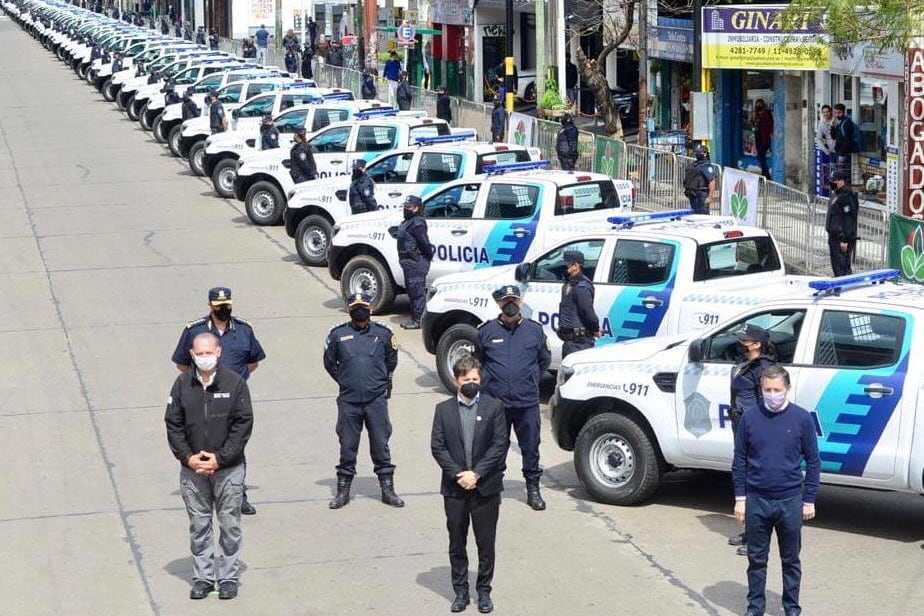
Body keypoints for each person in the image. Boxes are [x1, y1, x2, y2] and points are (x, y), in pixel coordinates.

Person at [165, 332, 254, 600]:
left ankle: (228, 577)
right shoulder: (182, 385)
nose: (203, 357)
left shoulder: (235, 383)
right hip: (193, 471)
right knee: (199, 525)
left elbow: (243, 425)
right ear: (192, 355)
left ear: (218, 353)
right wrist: (188, 458)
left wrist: (220, 458)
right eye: (198, 353)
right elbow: (173, 424)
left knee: (230, 525)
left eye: (208, 352)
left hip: (228, 470)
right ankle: (203, 577)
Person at [732, 365, 820, 616]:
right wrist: (741, 499)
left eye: (777, 390)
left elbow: (813, 461)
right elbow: (739, 461)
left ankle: (791, 608)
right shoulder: (750, 418)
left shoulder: (802, 419)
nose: (772, 394)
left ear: (787, 389)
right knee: (756, 561)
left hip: (790, 500)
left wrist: (809, 499)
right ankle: (755, 608)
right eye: (767, 390)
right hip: (757, 500)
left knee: (791, 560)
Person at [171, 287, 266, 515]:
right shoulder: (195, 331)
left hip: (233, 399)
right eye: (219, 306)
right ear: (210, 306)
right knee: (201, 439)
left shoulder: (243, 330)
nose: (224, 309)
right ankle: (203, 491)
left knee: (235, 443)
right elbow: (182, 364)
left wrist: (237, 381)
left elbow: (254, 362)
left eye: (227, 305)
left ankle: (238, 494)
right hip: (202, 394)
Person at [431, 356, 508, 615]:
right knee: (457, 542)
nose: (471, 384)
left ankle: (484, 591)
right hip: (454, 489)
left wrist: (476, 474)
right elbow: (438, 447)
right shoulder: (443, 410)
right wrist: (458, 475)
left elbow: (499, 445)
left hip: (485, 487)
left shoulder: (494, 407)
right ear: (456, 381)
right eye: (466, 380)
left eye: (475, 379)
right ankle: (461, 592)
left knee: (486, 543)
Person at [323, 293, 404, 509]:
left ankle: (388, 490)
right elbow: (330, 363)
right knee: (347, 446)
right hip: (349, 401)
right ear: (349, 310)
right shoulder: (338, 335)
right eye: (355, 307)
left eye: (363, 306)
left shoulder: (383, 334)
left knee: (381, 444)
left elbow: (391, 361)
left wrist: (378, 381)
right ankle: (342, 492)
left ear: (370, 308)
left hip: (375, 400)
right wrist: (346, 380)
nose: (360, 310)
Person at [476, 286, 551, 511]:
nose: (511, 304)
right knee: (495, 447)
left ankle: (533, 489)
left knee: (530, 447)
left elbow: (543, 361)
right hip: (496, 402)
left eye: (515, 300)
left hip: (526, 402)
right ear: (499, 304)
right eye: (506, 300)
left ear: (521, 303)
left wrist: (529, 380)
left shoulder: (534, 330)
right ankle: (493, 489)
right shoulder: (485, 331)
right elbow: (478, 360)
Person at [726, 323, 777, 556]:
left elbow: (766, 402)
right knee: (743, 477)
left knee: (755, 484)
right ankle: (749, 532)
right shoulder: (746, 362)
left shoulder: (763, 368)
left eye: (746, 340)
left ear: (757, 344)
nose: (742, 342)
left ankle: (757, 540)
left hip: (754, 428)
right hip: (741, 424)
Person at [397, 196, 434, 330]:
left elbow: (424, 242)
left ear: (417, 208)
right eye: (405, 207)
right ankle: (416, 318)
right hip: (409, 263)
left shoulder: (417, 224)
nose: (405, 209)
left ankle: (419, 320)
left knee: (417, 292)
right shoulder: (407, 222)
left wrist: (427, 257)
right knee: (412, 291)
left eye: (409, 207)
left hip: (415, 262)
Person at [557, 250, 599, 358]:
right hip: (571, 343)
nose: (563, 269)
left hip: (579, 343)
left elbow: (587, 312)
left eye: (566, 266)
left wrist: (595, 329)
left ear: (576, 266)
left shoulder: (582, 286)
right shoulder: (571, 283)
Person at [825, 169, 859, 276]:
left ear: (841, 181)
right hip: (833, 236)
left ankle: (843, 290)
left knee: (842, 267)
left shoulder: (847, 196)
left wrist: (845, 239)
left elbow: (849, 219)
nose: (831, 183)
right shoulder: (836, 194)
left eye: (834, 181)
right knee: (836, 266)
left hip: (842, 238)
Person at [683, 144, 717, 215]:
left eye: (700, 152)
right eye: (696, 152)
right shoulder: (694, 164)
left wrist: (710, 197)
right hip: (693, 194)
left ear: (705, 154)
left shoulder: (706, 166)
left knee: (703, 217)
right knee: (695, 216)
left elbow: (712, 182)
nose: (697, 154)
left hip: (702, 195)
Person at [832, 103, 858, 181]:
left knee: (843, 175)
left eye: (839, 112)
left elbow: (847, 141)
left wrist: (841, 154)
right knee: (839, 175)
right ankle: (840, 191)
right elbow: (834, 136)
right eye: (835, 113)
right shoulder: (839, 123)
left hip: (844, 154)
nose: (837, 115)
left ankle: (844, 192)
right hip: (839, 153)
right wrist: (833, 125)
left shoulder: (847, 123)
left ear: (844, 112)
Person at [751, 98, 773, 180]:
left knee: (762, 157)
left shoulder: (767, 114)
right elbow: (753, 125)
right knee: (760, 158)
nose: (758, 107)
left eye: (759, 105)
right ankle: (765, 174)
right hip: (758, 138)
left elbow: (770, 126)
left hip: (765, 139)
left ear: (763, 105)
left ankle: (766, 175)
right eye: (756, 105)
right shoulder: (756, 115)